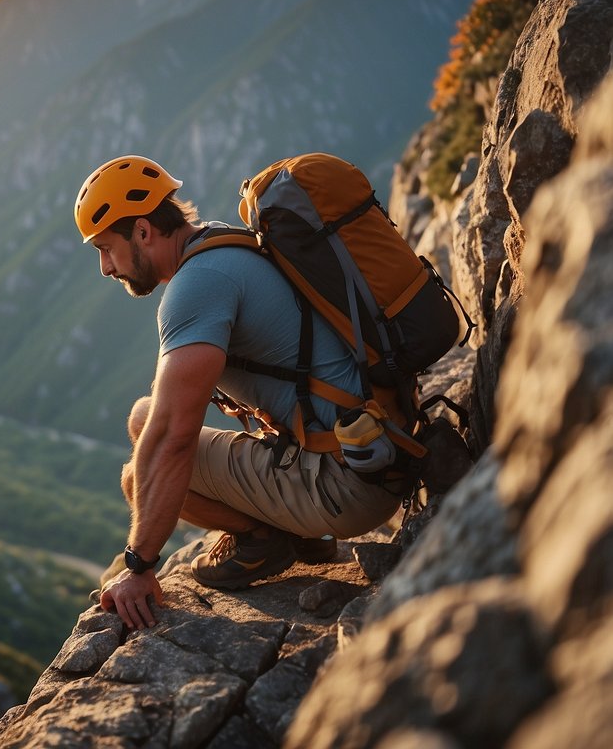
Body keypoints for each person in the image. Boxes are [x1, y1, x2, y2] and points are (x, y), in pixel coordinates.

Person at [73, 155, 403, 631]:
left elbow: (174, 438)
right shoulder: (223, 242)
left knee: (136, 475)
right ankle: (298, 535)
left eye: (106, 248)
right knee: (144, 418)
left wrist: (138, 565)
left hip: (347, 485)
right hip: (374, 447)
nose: (105, 267)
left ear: (143, 232)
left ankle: (266, 539)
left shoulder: (196, 285)